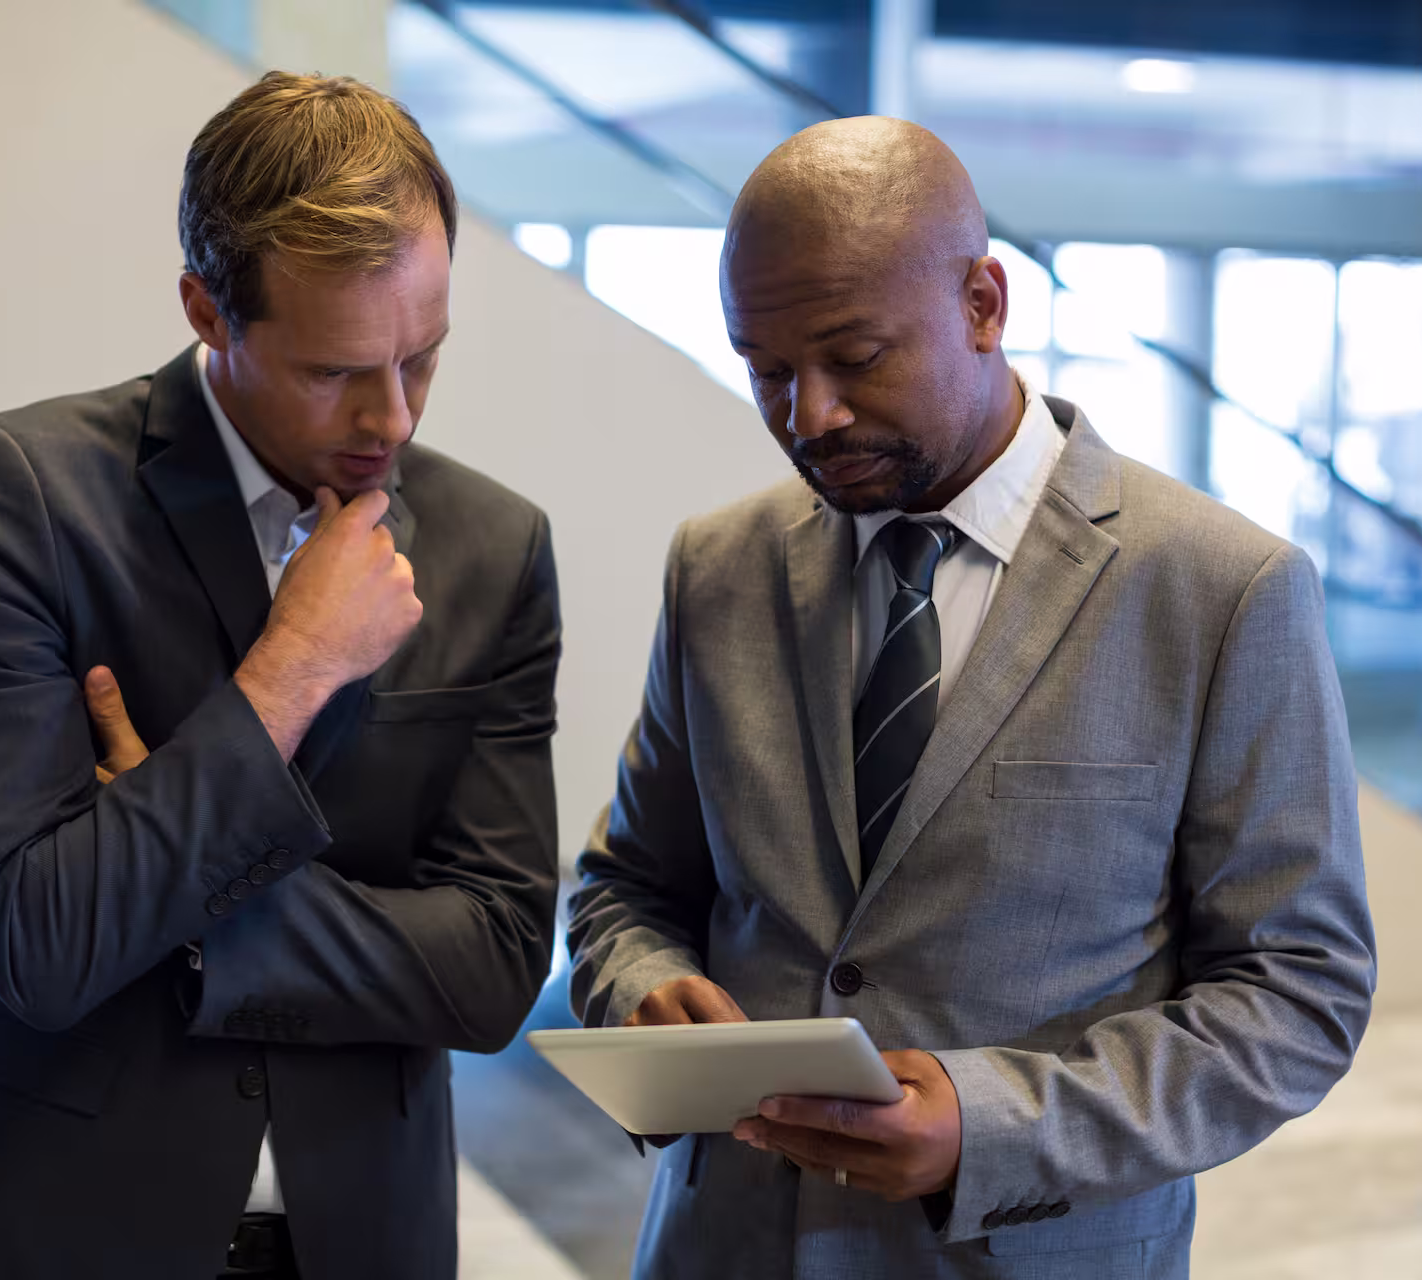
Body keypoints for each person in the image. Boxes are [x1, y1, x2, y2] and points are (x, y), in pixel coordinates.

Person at [566, 116, 1376, 1279]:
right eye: (768, 368)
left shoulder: (1220, 588)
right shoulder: (719, 565)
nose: (810, 413)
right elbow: (626, 885)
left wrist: (992, 1123)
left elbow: (1300, 991)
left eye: (855, 355)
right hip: (722, 1247)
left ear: (985, 304)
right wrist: (639, 988)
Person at [0, 73, 560, 1280]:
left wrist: (170, 868)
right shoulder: (17, 493)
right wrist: (291, 671)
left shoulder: (497, 545)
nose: (393, 418)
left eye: (424, 356)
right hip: (31, 1219)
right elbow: (43, 937)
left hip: (359, 1235)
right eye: (336, 370)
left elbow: (492, 967)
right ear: (208, 310)